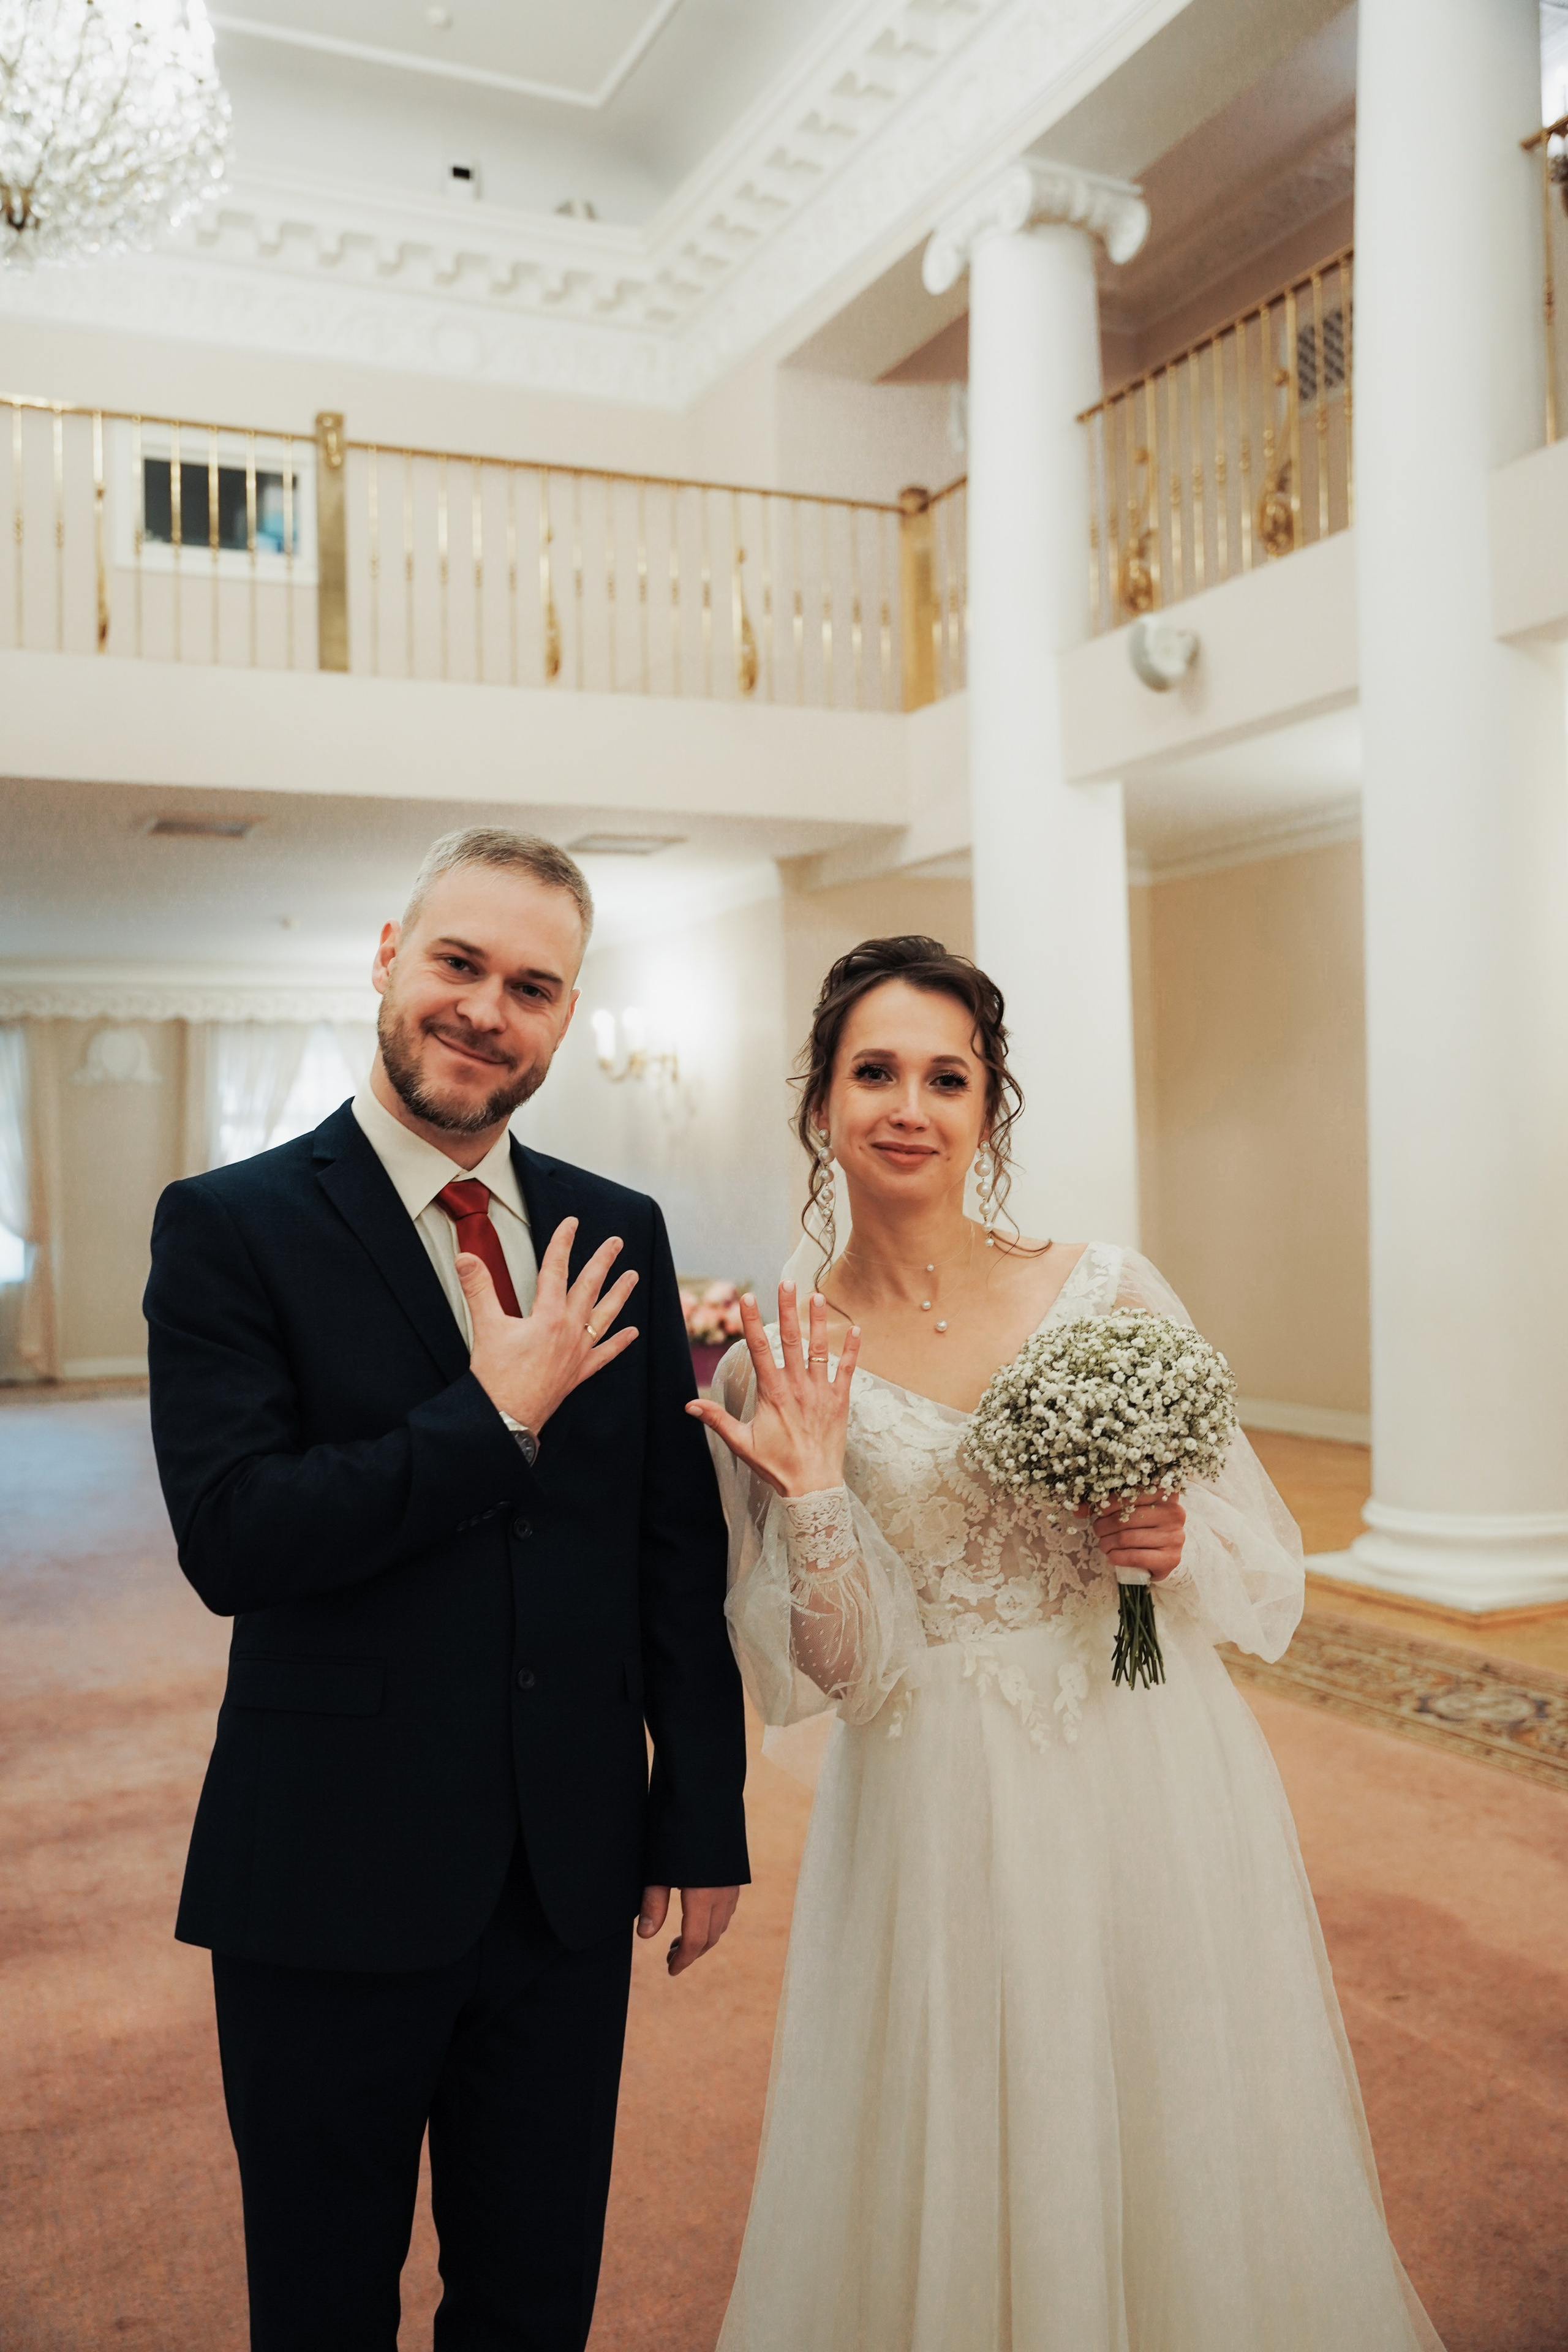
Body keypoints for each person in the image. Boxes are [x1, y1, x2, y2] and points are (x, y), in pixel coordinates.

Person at [688, 934, 1442, 2352]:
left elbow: (1249, 1556)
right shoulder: (775, 1361)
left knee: (1166, 2083)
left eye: (945, 1076)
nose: (908, 1104)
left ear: (988, 1109)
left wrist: (1168, 1547)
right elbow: (832, 1678)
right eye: (874, 1072)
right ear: (818, 1106)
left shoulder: (1106, 1289)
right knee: (964, 2103)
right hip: (932, 1794)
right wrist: (813, 1493)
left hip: (1139, 1751)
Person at [143, 826, 748, 2352]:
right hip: (324, 1878)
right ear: (387, 961)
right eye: (458, 964)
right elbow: (236, 1538)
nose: (487, 1009)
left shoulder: (619, 1230)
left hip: (563, 1881)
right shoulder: (230, 1228)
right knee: (324, 2300)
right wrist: (489, 1419)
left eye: (532, 986)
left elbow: (669, 1554)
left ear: (564, 1015)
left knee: (534, 2296)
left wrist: (702, 1818)